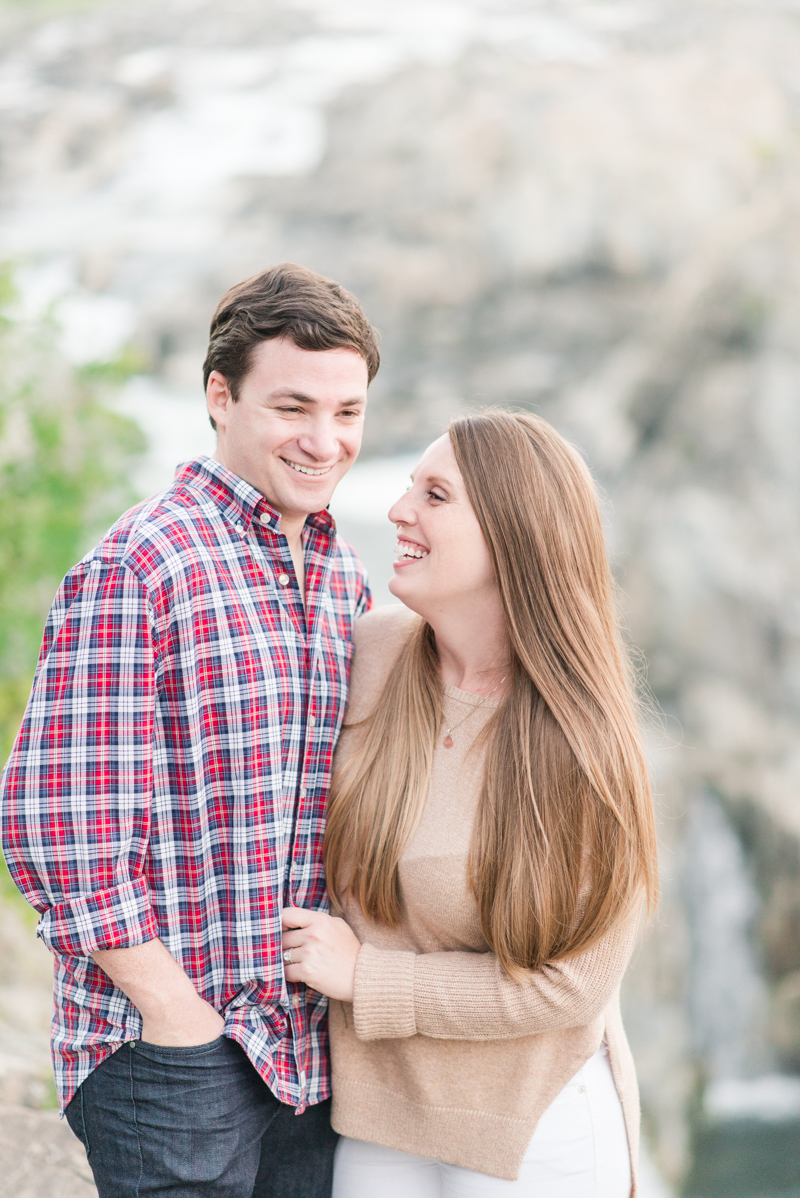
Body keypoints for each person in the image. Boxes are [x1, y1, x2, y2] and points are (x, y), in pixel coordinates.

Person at [0, 263, 379, 1198]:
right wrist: (176, 1012)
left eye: (348, 412)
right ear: (220, 395)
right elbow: (59, 823)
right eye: (294, 406)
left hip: (306, 1052)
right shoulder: (143, 565)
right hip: (172, 1054)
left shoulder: (344, 579)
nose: (324, 441)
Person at [280, 409, 658, 1197]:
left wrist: (370, 979)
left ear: (512, 537)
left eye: (435, 495)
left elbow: (571, 984)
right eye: (410, 486)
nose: (398, 510)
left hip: (532, 1129)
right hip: (380, 1115)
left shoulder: (581, 739)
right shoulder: (367, 657)